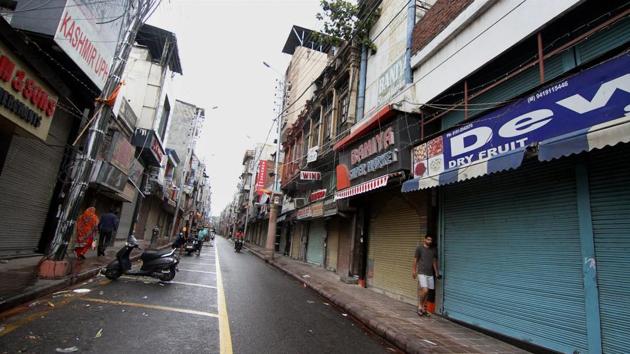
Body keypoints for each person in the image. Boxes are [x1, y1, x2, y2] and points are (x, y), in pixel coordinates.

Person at [412, 235, 439, 317]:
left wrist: (436, 272)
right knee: (425, 290)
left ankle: (423, 308)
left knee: (428, 292)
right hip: (422, 272)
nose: (429, 241)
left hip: (430, 274)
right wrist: (414, 271)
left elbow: (434, 262)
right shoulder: (419, 248)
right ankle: (420, 306)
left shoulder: (433, 250)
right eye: (428, 239)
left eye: (431, 240)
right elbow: (415, 260)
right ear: (425, 239)